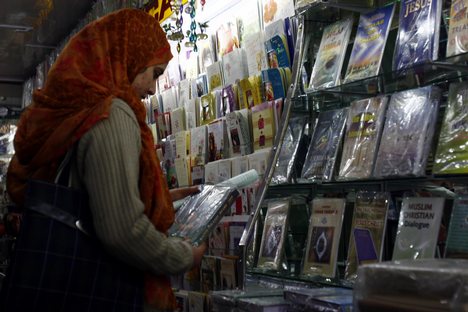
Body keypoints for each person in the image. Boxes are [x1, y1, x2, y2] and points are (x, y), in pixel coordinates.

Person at [2, 8, 206, 312]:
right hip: (96, 291)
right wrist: (183, 256)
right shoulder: (113, 115)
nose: (152, 89)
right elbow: (121, 230)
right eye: (155, 73)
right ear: (128, 57)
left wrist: (151, 197)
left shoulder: (79, 109)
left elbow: (91, 192)